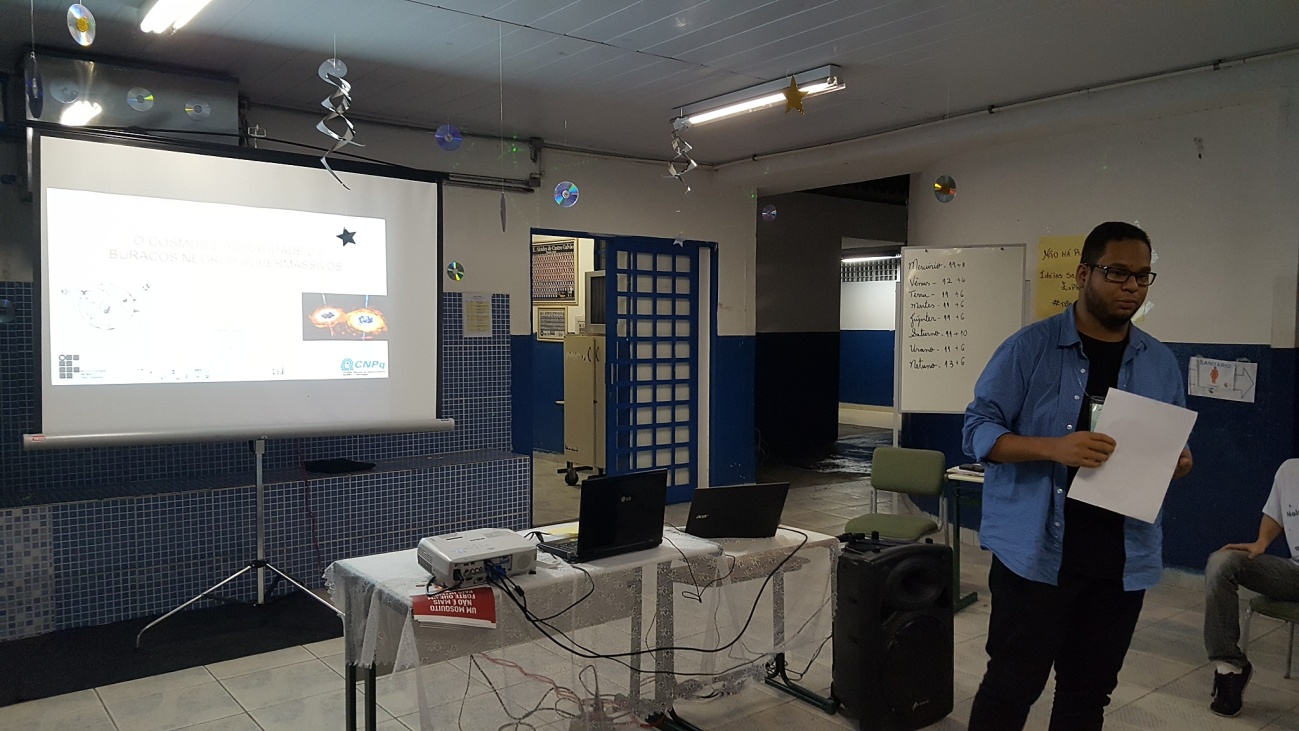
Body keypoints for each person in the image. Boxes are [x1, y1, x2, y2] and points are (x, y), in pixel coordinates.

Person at [962, 221, 1194, 731]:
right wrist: (1054, 448)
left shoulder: (1159, 361)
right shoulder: (1029, 348)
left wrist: (1177, 462)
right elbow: (977, 431)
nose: (1131, 286)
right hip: (1036, 557)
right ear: (1083, 274)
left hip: (1120, 559)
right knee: (1011, 688)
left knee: (1088, 695)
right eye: (1117, 273)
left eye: (1142, 276)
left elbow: (1171, 442)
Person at [1203, 458, 1299, 717]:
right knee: (1221, 563)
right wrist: (1262, 541)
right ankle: (1229, 668)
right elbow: (1275, 514)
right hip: (1294, 573)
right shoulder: (1290, 470)